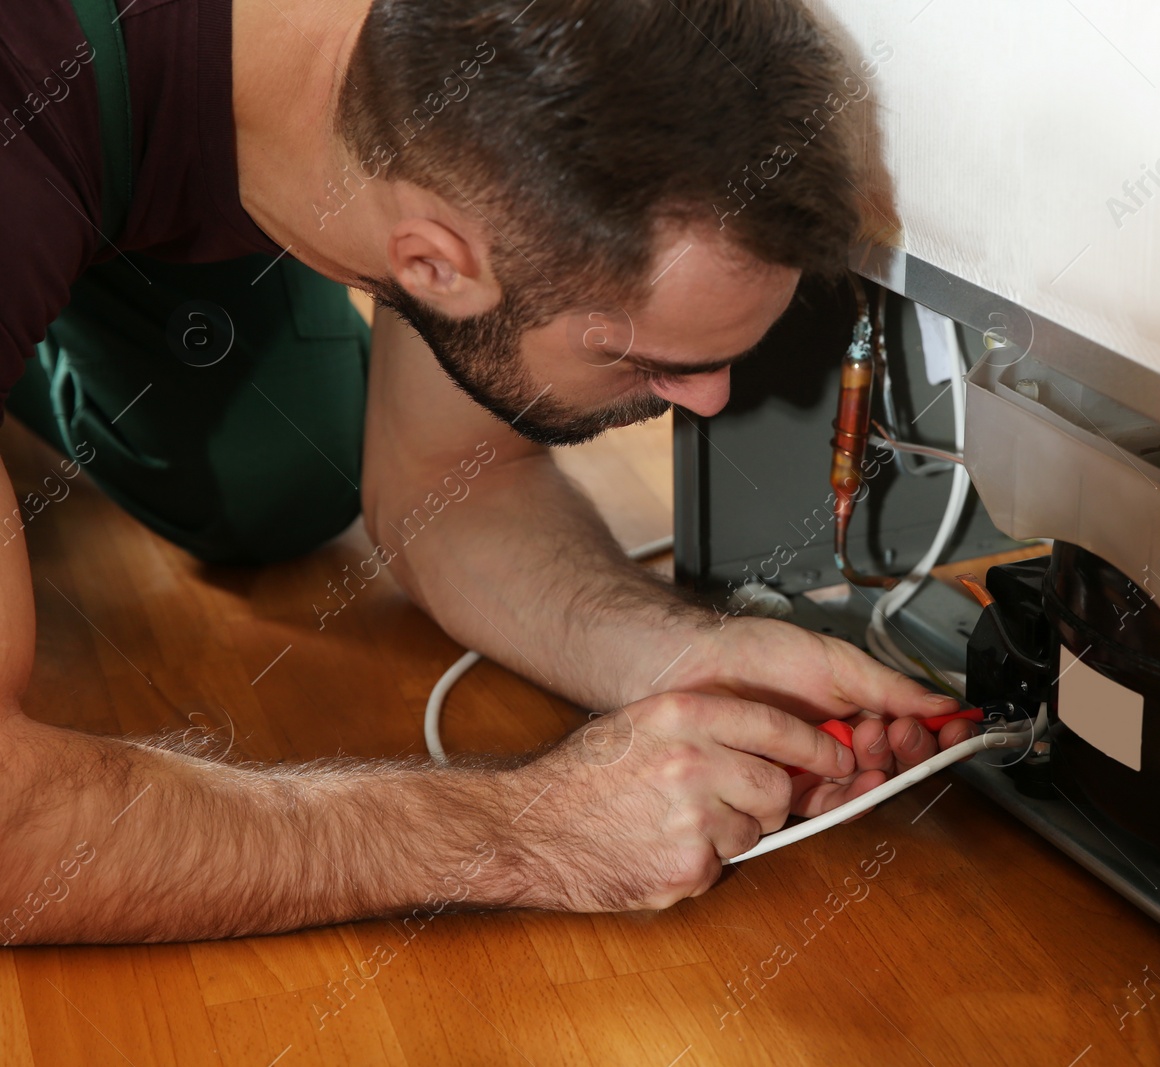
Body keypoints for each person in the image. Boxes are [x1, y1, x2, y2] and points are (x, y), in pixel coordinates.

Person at [0, 0, 973, 943]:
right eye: (649, 362)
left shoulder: (486, 73)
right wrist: (530, 828)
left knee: (273, 476)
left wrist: (680, 654)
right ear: (432, 265)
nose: (711, 401)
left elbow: (452, 489)